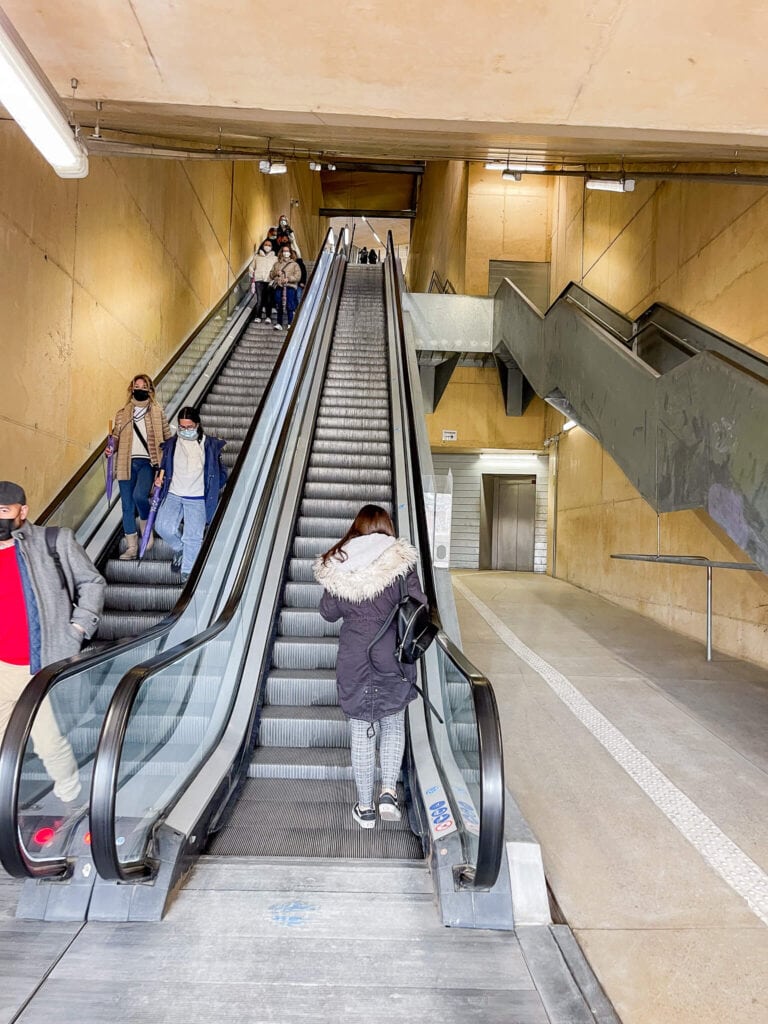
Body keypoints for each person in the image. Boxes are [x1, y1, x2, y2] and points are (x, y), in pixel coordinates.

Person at [313, 504, 428, 829]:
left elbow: (328, 612)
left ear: (357, 528)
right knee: (393, 722)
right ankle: (388, 792)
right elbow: (420, 605)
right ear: (386, 528)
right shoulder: (400, 561)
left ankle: (365, 809)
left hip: (354, 659)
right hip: (392, 654)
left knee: (362, 732)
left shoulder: (340, 562)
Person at [0, 480, 105, 803]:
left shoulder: (52, 541)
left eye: (4, 511)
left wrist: (77, 627)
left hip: (39, 664)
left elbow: (92, 581)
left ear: (23, 511)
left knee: (49, 744)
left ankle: (72, 802)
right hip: (2, 668)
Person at [154, 407, 228, 584]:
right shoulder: (172, 444)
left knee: (193, 536)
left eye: (189, 426)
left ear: (197, 425)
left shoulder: (209, 445)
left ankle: (187, 574)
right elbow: (164, 467)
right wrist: (159, 479)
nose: (185, 430)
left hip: (196, 497)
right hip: (174, 493)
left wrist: (211, 488)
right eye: (182, 426)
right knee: (162, 526)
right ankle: (180, 548)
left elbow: (221, 472)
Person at [106, 373, 171, 560]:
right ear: (131, 388)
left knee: (139, 496)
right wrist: (110, 447)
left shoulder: (157, 412)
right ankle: (132, 547)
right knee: (126, 506)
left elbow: (168, 439)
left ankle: (146, 528)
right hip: (125, 463)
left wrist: (165, 466)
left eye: (144, 386)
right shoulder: (123, 414)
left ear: (150, 390)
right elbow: (116, 437)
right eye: (137, 386)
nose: (140, 389)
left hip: (148, 463)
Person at [269, 246, 301, 330]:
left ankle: (290, 323)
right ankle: (279, 323)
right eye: (284, 251)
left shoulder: (295, 264)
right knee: (279, 304)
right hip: (279, 286)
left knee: (289, 304)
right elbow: (271, 275)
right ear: (281, 252)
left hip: (290, 286)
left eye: (287, 251)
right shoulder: (277, 264)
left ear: (290, 253)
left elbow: (298, 276)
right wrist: (277, 274)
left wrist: (288, 279)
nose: (286, 253)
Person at [249, 240, 277, 322]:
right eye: (266, 244)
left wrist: (275, 278)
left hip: (270, 281)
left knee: (269, 300)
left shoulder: (275, 258)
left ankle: (268, 317)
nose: (267, 246)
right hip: (259, 280)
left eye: (269, 245)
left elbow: (277, 268)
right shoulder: (257, 257)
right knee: (259, 300)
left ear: (271, 247)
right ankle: (258, 316)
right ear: (263, 245)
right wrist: (252, 273)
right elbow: (251, 267)